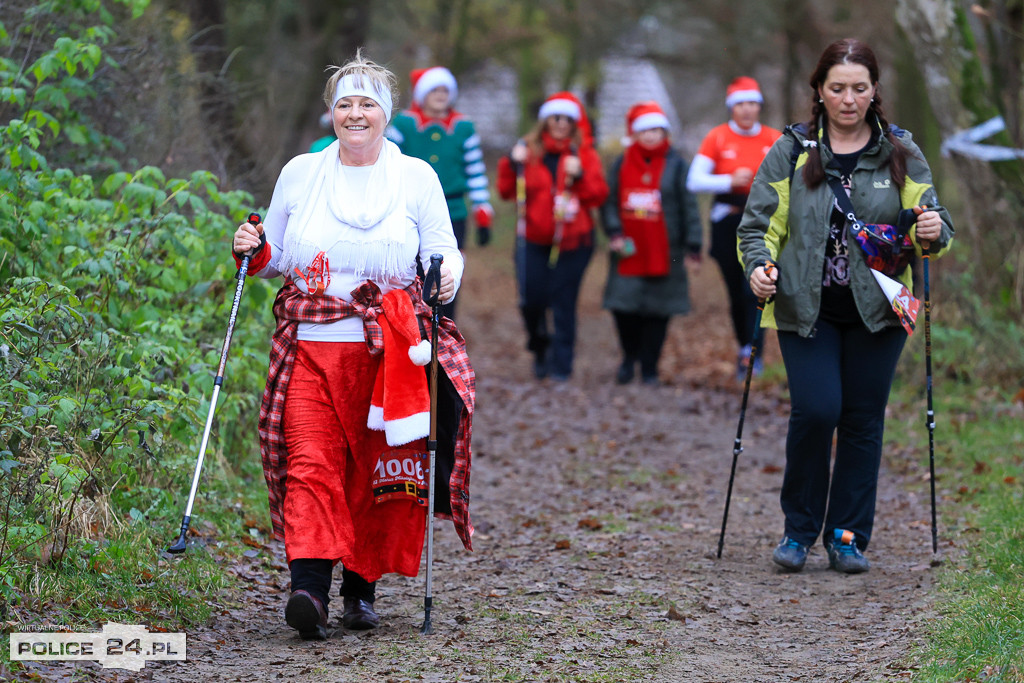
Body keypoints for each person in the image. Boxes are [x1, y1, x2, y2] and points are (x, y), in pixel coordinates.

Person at [231, 50, 475, 639]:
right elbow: (275, 256)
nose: (356, 114)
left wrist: (445, 277)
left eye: (368, 104)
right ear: (331, 113)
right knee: (310, 465)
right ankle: (309, 591)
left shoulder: (416, 177)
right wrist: (252, 248)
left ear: (387, 114)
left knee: (374, 472)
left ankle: (360, 591)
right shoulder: (300, 173)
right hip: (310, 346)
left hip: (389, 354)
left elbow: (445, 251)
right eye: (345, 104)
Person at [738, 38, 953, 574]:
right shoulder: (792, 150)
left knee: (861, 419)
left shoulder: (900, 150)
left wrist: (932, 229)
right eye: (837, 88)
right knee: (816, 411)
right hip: (804, 308)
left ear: (874, 90)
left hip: (878, 310)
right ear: (819, 90)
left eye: (859, 88)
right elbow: (758, 226)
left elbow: (932, 223)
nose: (849, 99)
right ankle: (798, 530)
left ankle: (848, 536)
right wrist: (760, 267)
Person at [496, 92, 609, 381]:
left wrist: (580, 176)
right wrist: (511, 163)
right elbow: (506, 192)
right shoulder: (527, 151)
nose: (560, 123)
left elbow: (598, 195)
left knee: (563, 300)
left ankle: (562, 364)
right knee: (531, 299)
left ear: (574, 123)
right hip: (532, 238)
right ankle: (539, 346)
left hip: (574, 241)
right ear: (545, 120)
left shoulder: (585, 154)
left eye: (567, 119)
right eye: (555, 117)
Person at [601, 101, 703, 385]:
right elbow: (609, 202)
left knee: (659, 312)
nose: (650, 135)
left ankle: (650, 367)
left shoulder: (677, 165)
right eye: (645, 131)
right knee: (624, 308)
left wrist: (693, 246)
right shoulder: (621, 163)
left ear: (664, 133)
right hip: (627, 251)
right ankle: (629, 357)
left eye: (656, 130)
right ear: (635, 134)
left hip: (667, 252)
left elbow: (689, 207)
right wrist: (614, 232)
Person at [687, 76, 781, 380]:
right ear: (732, 107)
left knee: (754, 289)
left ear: (759, 106)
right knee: (736, 293)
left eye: (752, 103)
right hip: (727, 222)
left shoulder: (774, 138)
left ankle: (755, 354)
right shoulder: (717, 137)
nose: (747, 109)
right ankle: (744, 346)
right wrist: (728, 180)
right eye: (741, 104)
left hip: (763, 222)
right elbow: (694, 180)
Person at [386, 66, 493, 321]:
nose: (440, 95)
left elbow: (475, 171)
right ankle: (413, 325)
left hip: (453, 210)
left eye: (445, 90)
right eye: (434, 90)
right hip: (410, 210)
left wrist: (482, 209)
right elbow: (388, 164)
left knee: (448, 271)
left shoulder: (463, 127)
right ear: (423, 93)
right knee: (413, 270)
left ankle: (444, 325)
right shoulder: (404, 124)